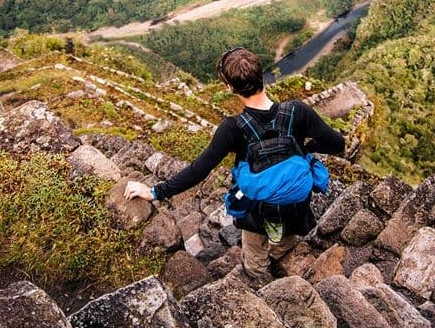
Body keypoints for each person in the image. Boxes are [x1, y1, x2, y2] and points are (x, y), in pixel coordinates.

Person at [124, 47, 344, 285]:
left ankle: (263, 283)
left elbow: (199, 169)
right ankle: (284, 259)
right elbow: (336, 143)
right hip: (295, 202)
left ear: (229, 88)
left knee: (255, 260)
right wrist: (305, 150)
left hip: (257, 209)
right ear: (262, 75)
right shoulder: (297, 111)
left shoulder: (232, 128)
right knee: (285, 242)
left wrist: (155, 192)